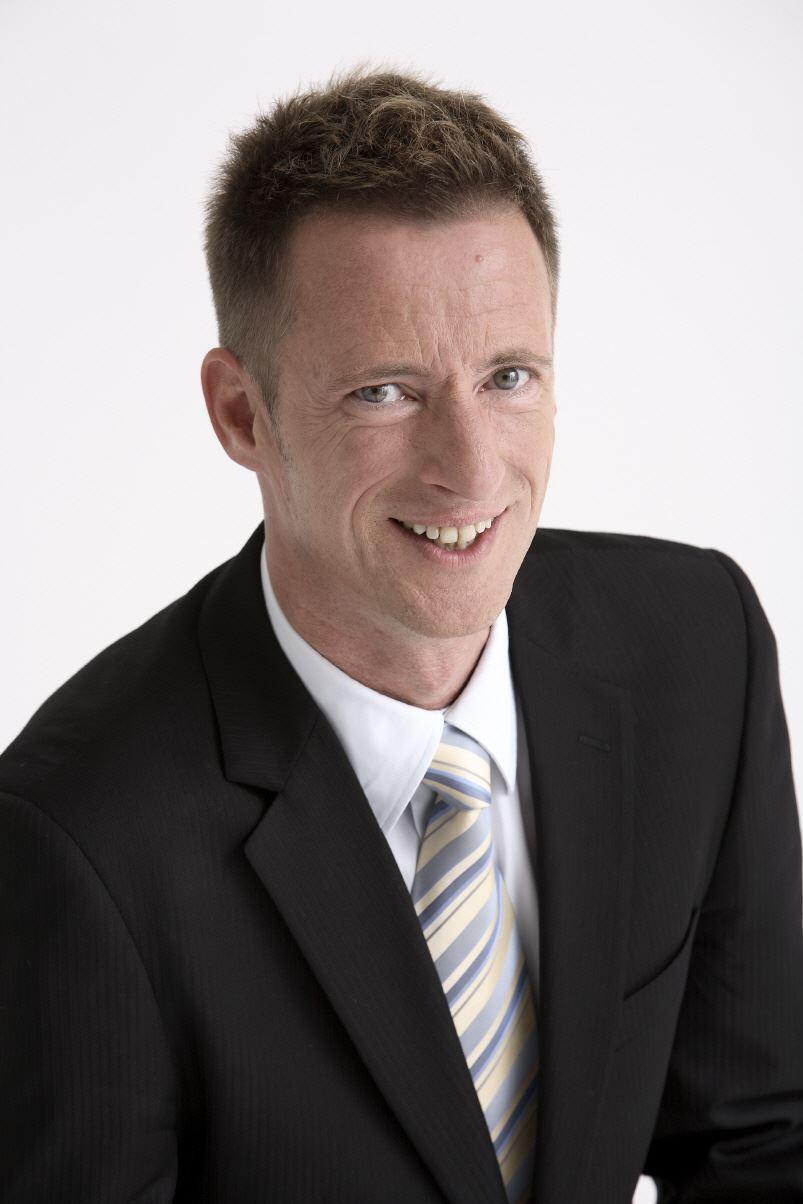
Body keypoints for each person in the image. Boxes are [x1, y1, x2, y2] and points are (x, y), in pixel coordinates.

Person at [1, 64, 801, 1204]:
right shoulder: (78, 842)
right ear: (241, 412)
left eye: (507, 376)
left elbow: (757, 1143)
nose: (469, 471)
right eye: (384, 391)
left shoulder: (696, 652)